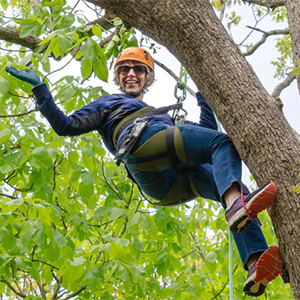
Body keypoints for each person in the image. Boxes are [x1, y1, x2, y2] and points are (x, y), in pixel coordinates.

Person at [6, 47, 283, 296]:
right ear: (117, 76)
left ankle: (254, 262)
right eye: (124, 69)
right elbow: (66, 125)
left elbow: (206, 137)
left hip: (166, 184)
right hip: (142, 147)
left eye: (138, 69)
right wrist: (41, 89)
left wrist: (205, 98)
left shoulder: (160, 115)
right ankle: (236, 206)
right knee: (224, 152)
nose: (131, 74)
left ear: (148, 77)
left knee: (231, 183)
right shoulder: (109, 103)